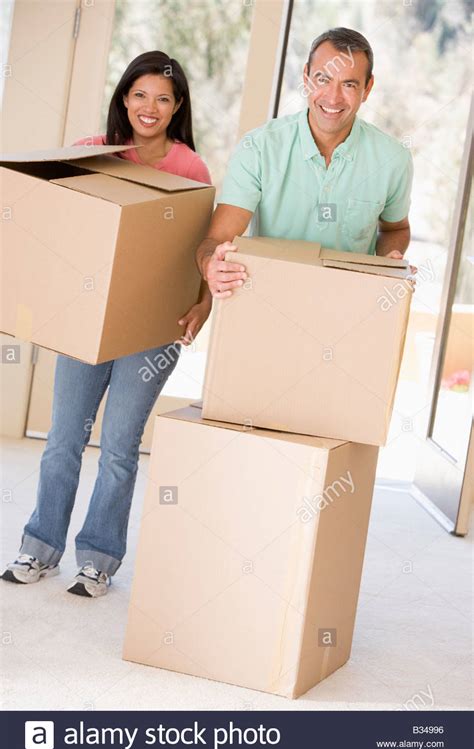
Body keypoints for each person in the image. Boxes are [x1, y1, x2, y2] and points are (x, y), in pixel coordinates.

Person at [2, 51, 212, 598]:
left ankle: (98, 558)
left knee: (119, 446)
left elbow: (206, 249)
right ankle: (39, 547)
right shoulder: (92, 154)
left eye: (163, 98)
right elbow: (51, 231)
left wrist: (202, 304)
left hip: (151, 328)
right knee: (63, 439)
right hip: (86, 321)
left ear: (177, 107)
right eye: (140, 94)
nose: (150, 107)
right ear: (124, 97)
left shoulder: (189, 169)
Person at [195, 27, 416, 295]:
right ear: (306, 78)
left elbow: (396, 229)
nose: (333, 97)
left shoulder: (393, 159)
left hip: (347, 305)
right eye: (323, 79)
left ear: (367, 89)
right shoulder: (259, 148)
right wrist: (211, 265)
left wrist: (386, 263)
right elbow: (215, 240)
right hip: (266, 298)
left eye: (349, 84)